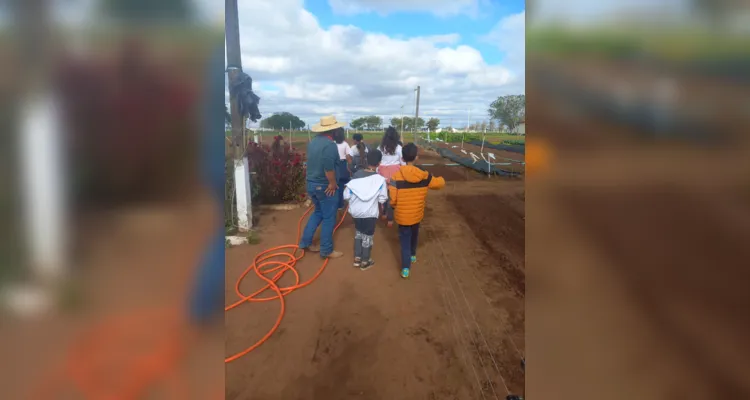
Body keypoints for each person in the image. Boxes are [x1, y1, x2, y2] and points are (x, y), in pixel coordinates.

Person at [388, 143, 445, 278]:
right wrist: (439, 177)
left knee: (404, 240)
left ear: (402, 158)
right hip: (417, 214)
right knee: (415, 234)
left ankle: (406, 268)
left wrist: (394, 206)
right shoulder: (424, 176)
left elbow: (393, 199)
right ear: (417, 157)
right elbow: (439, 184)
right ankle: (413, 255)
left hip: (402, 216)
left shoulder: (395, 177)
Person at [298, 115, 345, 259]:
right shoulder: (329, 145)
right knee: (329, 218)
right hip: (325, 186)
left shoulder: (313, 143)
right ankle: (326, 250)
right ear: (333, 131)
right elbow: (328, 166)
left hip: (311, 184)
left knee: (318, 212)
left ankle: (305, 242)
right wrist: (332, 183)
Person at [343, 149, 387, 270]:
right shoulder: (380, 180)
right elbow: (383, 199)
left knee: (358, 233)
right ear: (379, 163)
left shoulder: (356, 176)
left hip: (356, 213)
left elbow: (346, 195)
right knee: (367, 236)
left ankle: (357, 258)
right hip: (370, 214)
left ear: (366, 160)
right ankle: (365, 261)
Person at [377, 126, 405, 227]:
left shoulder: (380, 147)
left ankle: (384, 213)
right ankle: (390, 219)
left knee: (383, 193)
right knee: (392, 196)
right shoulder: (398, 148)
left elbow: (377, 160)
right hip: (395, 174)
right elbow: (403, 162)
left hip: (382, 173)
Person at [334, 130, 352, 211]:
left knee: (336, 185)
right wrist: (351, 167)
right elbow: (348, 157)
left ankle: (337, 204)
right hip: (342, 165)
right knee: (343, 185)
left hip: (334, 165)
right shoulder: (345, 144)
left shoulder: (332, 143)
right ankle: (342, 203)